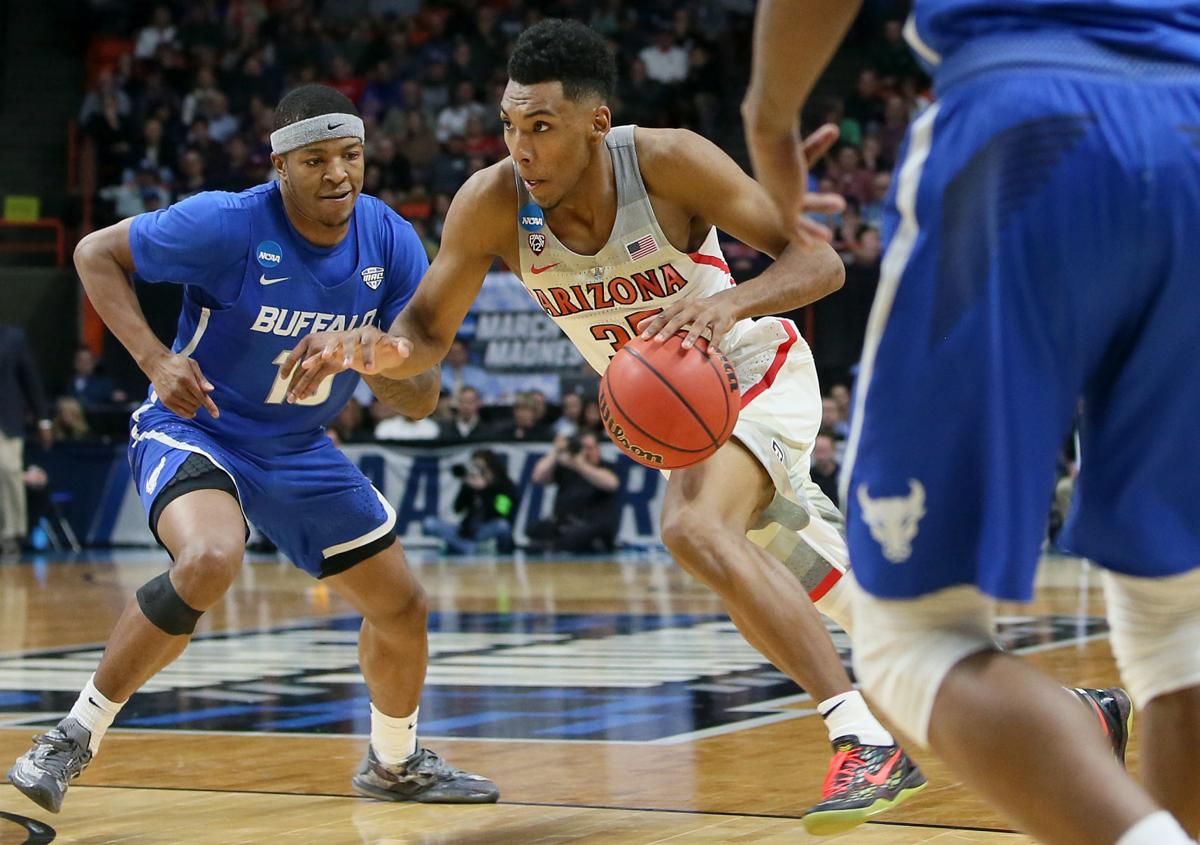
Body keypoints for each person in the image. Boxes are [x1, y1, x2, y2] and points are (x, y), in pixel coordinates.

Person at [281, 20, 920, 831]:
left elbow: (819, 263)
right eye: (511, 125)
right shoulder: (490, 203)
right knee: (835, 592)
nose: (522, 147)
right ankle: (1065, 711)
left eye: (542, 127)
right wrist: (370, 352)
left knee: (691, 525)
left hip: (749, 368)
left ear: (596, 122)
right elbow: (425, 338)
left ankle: (864, 742)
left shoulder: (666, 160)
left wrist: (726, 300)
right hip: (680, 414)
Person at [743, 2, 1200, 843]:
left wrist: (769, 121)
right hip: (1192, 118)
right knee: (1180, 624)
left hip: (1028, 120)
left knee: (912, 641)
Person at [7, 85, 497, 815]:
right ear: (280, 166)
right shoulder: (225, 223)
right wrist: (152, 358)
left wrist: (373, 358)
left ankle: (394, 762)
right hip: (199, 426)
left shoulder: (390, 238)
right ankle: (70, 735)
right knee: (209, 558)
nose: (338, 173)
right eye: (317, 159)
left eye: (351, 155)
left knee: (404, 606)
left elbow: (422, 395)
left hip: (298, 445)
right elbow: (93, 253)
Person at [0, 325, 53, 558]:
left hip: (6, 420)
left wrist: (43, 419)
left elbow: (30, 379)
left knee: (8, 469)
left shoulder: (12, 338)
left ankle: (11, 535)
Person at [527, 432, 621, 554]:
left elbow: (612, 484)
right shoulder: (568, 469)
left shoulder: (605, 466)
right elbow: (537, 477)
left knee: (579, 535)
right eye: (583, 448)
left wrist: (580, 464)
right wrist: (555, 451)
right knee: (535, 529)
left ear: (598, 449)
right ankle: (554, 546)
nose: (587, 453)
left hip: (593, 524)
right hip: (566, 523)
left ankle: (555, 546)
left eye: (590, 448)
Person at [422, 449, 518, 554]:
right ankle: (469, 547)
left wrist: (485, 490)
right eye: (474, 468)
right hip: (467, 531)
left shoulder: (505, 486)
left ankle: (460, 546)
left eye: (481, 469)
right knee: (430, 523)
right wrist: (466, 487)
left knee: (503, 526)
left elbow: (502, 512)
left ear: (492, 468)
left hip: (487, 529)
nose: (477, 472)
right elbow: (457, 509)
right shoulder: (470, 485)